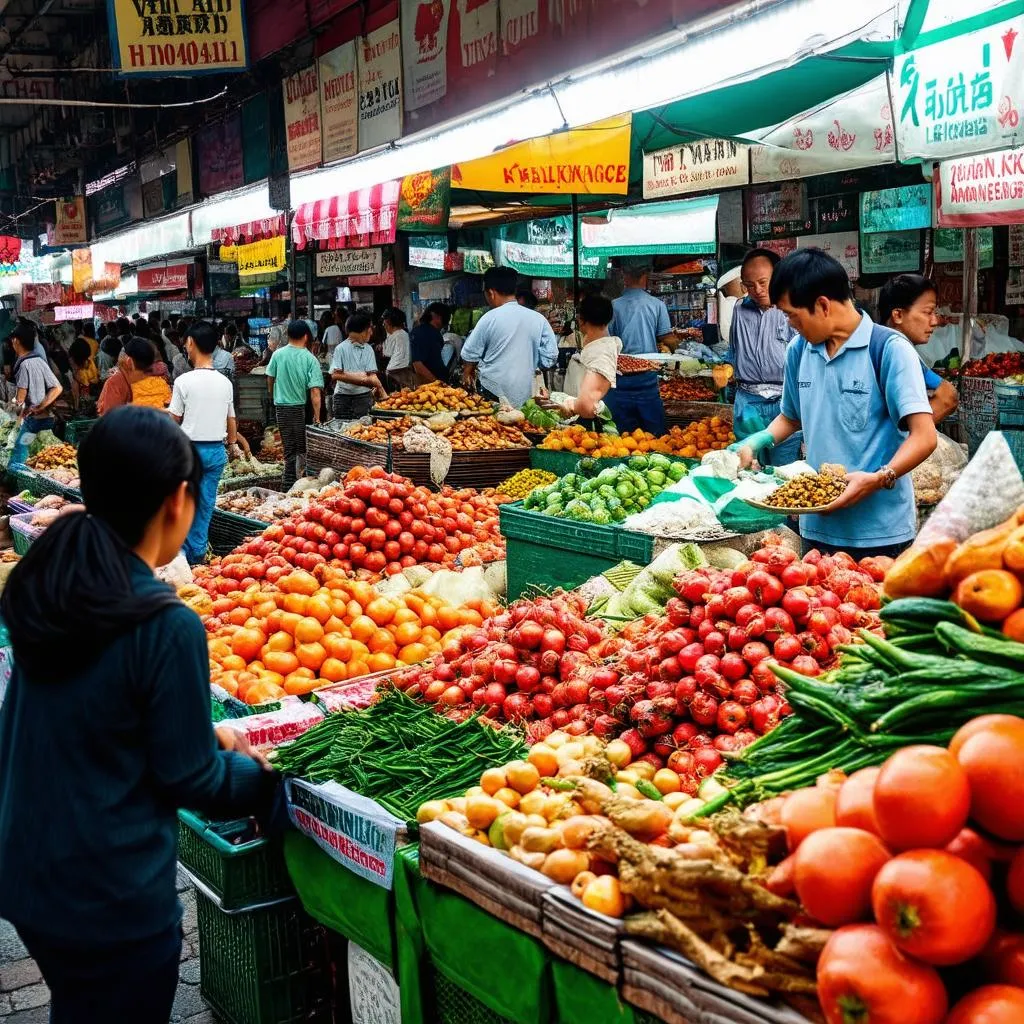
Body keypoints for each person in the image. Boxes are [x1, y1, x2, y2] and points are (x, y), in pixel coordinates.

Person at [0, 407, 277, 1024]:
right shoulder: (163, 621)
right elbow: (191, 779)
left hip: (29, 868)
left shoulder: (53, 579)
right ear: (179, 499)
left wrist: (196, 728)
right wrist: (262, 775)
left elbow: (97, 709)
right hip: (109, 892)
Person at [733, 248, 937, 560]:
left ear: (823, 305)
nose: (789, 325)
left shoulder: (889, 350)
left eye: (792, 315)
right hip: (816, 530)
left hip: (880, 534)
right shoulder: (799, 351)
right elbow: (791, 416)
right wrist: (761, 438)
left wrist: (879, 478)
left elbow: (924, 436)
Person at [169, 322, 248, 563]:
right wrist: (233, 444)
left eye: (186, 343)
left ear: (191, 343)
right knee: (204, 507)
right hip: (215, 452)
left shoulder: (184, 382)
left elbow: (174, 419)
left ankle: (181, 557)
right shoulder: (224, 382)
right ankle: (198, 556)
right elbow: (231, 418)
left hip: (188, 452)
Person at [726, 248, 802, 466]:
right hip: (748, 402)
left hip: (784, 401)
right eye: (749, 285)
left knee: (783, 470)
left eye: (763, 282)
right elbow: (734, 350)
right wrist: (726, 367)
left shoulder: (792, 310)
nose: (757, 290)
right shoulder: (740, 310)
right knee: (746, 467)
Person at [461, 267, 558, 408]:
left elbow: (469, 355)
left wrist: (467, 373)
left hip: (491, 393)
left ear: (491, 293)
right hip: (526, 395)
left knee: (494, 428)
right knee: (521, 426)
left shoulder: (488, 318)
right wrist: (530, 363)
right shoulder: (538, 319)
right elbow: (550, 357)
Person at [879, 274, 959, 424]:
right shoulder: (899, 349)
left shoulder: (875, 344)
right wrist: (915, 434)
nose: (934, 321)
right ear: (898, 315)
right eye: (928, 312)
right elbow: (948, 396)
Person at [607, 261, 674, 434]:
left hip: (619, 378)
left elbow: (608, 342)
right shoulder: (657, 305)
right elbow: (666, 337)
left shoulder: (613, 306)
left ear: (624, 277)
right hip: (647, 379)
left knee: (622, 437)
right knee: (655, 435)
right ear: (645, 277)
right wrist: (686, 348)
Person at [267, 321, 324, 488]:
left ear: (288, 335)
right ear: (306, 336)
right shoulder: (310, 359)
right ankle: (298, 485)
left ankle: (288, 484)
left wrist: (273, 394)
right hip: (301, 409)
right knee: (302, 449)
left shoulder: (278, 355)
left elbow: (269, 376)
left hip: (282, 408)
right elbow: (315, 392)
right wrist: (318, 416)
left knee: (288, 448)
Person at [553, 294, 621, 420]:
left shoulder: (601, 353)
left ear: (581, 320)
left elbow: (586, 406)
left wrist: (569, 403)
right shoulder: (603, 346)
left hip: (595, 431)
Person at [10, 326, 62, 466]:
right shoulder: (39, 360)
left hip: (33, 423)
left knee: (18, 458)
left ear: (16, 341)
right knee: (42, 459)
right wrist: (42, 406)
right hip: (48, 419)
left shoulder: (23, 365)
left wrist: (12, 410)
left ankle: (19, 483)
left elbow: (20, 400)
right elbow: (57, 388)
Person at [329, 313, 384, 420]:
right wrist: (362, 378)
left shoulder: (368, 349)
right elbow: (335, 375)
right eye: (370, 328)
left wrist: (381, 391)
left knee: (363, 429)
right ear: (362, 331)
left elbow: (372, 376)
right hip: (342, 397)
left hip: (363, 397)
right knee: (342, 428)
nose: (371, 332)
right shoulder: (341, 348)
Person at [410, 304, 450, 384]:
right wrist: (437, 384)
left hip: (438, 382)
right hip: (430, 386)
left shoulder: (434, 332)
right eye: (445, 317)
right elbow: (418, 365)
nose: (447, 321)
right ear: (435, 316)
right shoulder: (421, 333)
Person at [381, 308, 415, 389]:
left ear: (388, 321)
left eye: (384, 321)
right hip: (406, 371)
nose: (383, 324)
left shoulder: (394, 336)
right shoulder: (405, 334)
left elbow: (386, 353)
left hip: (394, 373)